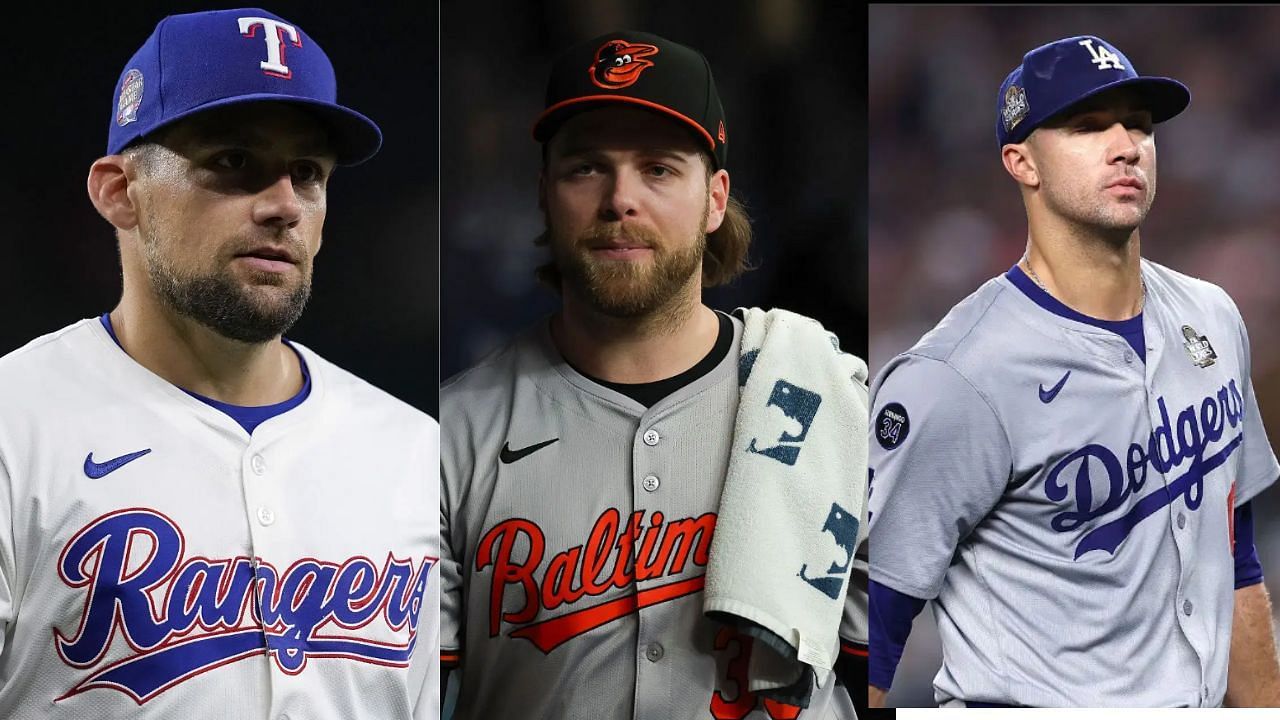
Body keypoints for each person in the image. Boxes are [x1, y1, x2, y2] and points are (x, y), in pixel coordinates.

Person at [0, 8, 439, 718]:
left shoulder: (416, 453)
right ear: (120, 191)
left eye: (307, 173)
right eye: (234, 162)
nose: (284, 205)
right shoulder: (15, 427)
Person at [440, 30, 867, 720]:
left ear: (716, 198)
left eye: (660, 169)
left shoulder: (825, 397)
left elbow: (881, 672)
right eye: (586, 168)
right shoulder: (453, 435)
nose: (620, 200)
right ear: (544, 193)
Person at [868, 34, 1280, 708]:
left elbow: (1235, 561)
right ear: (1021, 162)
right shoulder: (958, 374)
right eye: (1088, 127)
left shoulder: (1212, 316)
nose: (1125, 145)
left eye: (1139, 125)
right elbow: (873, 627)